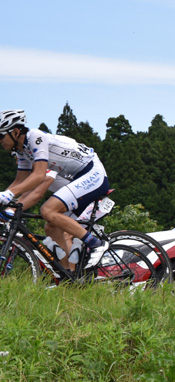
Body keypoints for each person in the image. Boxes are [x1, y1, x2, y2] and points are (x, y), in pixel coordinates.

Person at [0, 109, 109, 267]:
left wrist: (9, 195)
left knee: (48, 210)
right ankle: (68, 275)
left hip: (92, 172)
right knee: (51, 227)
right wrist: (6, 200)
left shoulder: (36, 137)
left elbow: (39, 175)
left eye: (1, 136)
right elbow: (19, 182)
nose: (0, 141)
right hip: (75, 177)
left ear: (15, 132)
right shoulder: (22, 151)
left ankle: (97, 245)